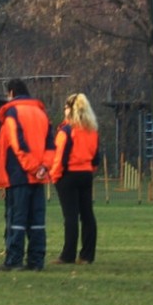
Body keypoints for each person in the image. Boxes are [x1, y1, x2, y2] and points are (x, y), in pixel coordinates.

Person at [0, 78, 55, 271]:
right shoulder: (41, 112)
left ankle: (14, 260)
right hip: (39, 176)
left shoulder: (13, 112)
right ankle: (37, 261)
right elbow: (51, 144)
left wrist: (32, 167)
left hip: (19, 174)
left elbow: (18, 144)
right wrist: (44, 167)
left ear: (11, 92)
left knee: (17, 220)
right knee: (37, 220)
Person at [50, 93, 99, 265]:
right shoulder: (92, 130)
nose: (64, 110)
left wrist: (54, 177)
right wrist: (88, 169)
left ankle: (68, 255)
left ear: (71, 109)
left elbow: (60, 158)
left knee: (70, 216)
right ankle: (87, 255)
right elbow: (96, 158)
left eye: (65, 107)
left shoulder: (66, 131)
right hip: (86, 174)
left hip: (68, 176)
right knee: (87, 215)